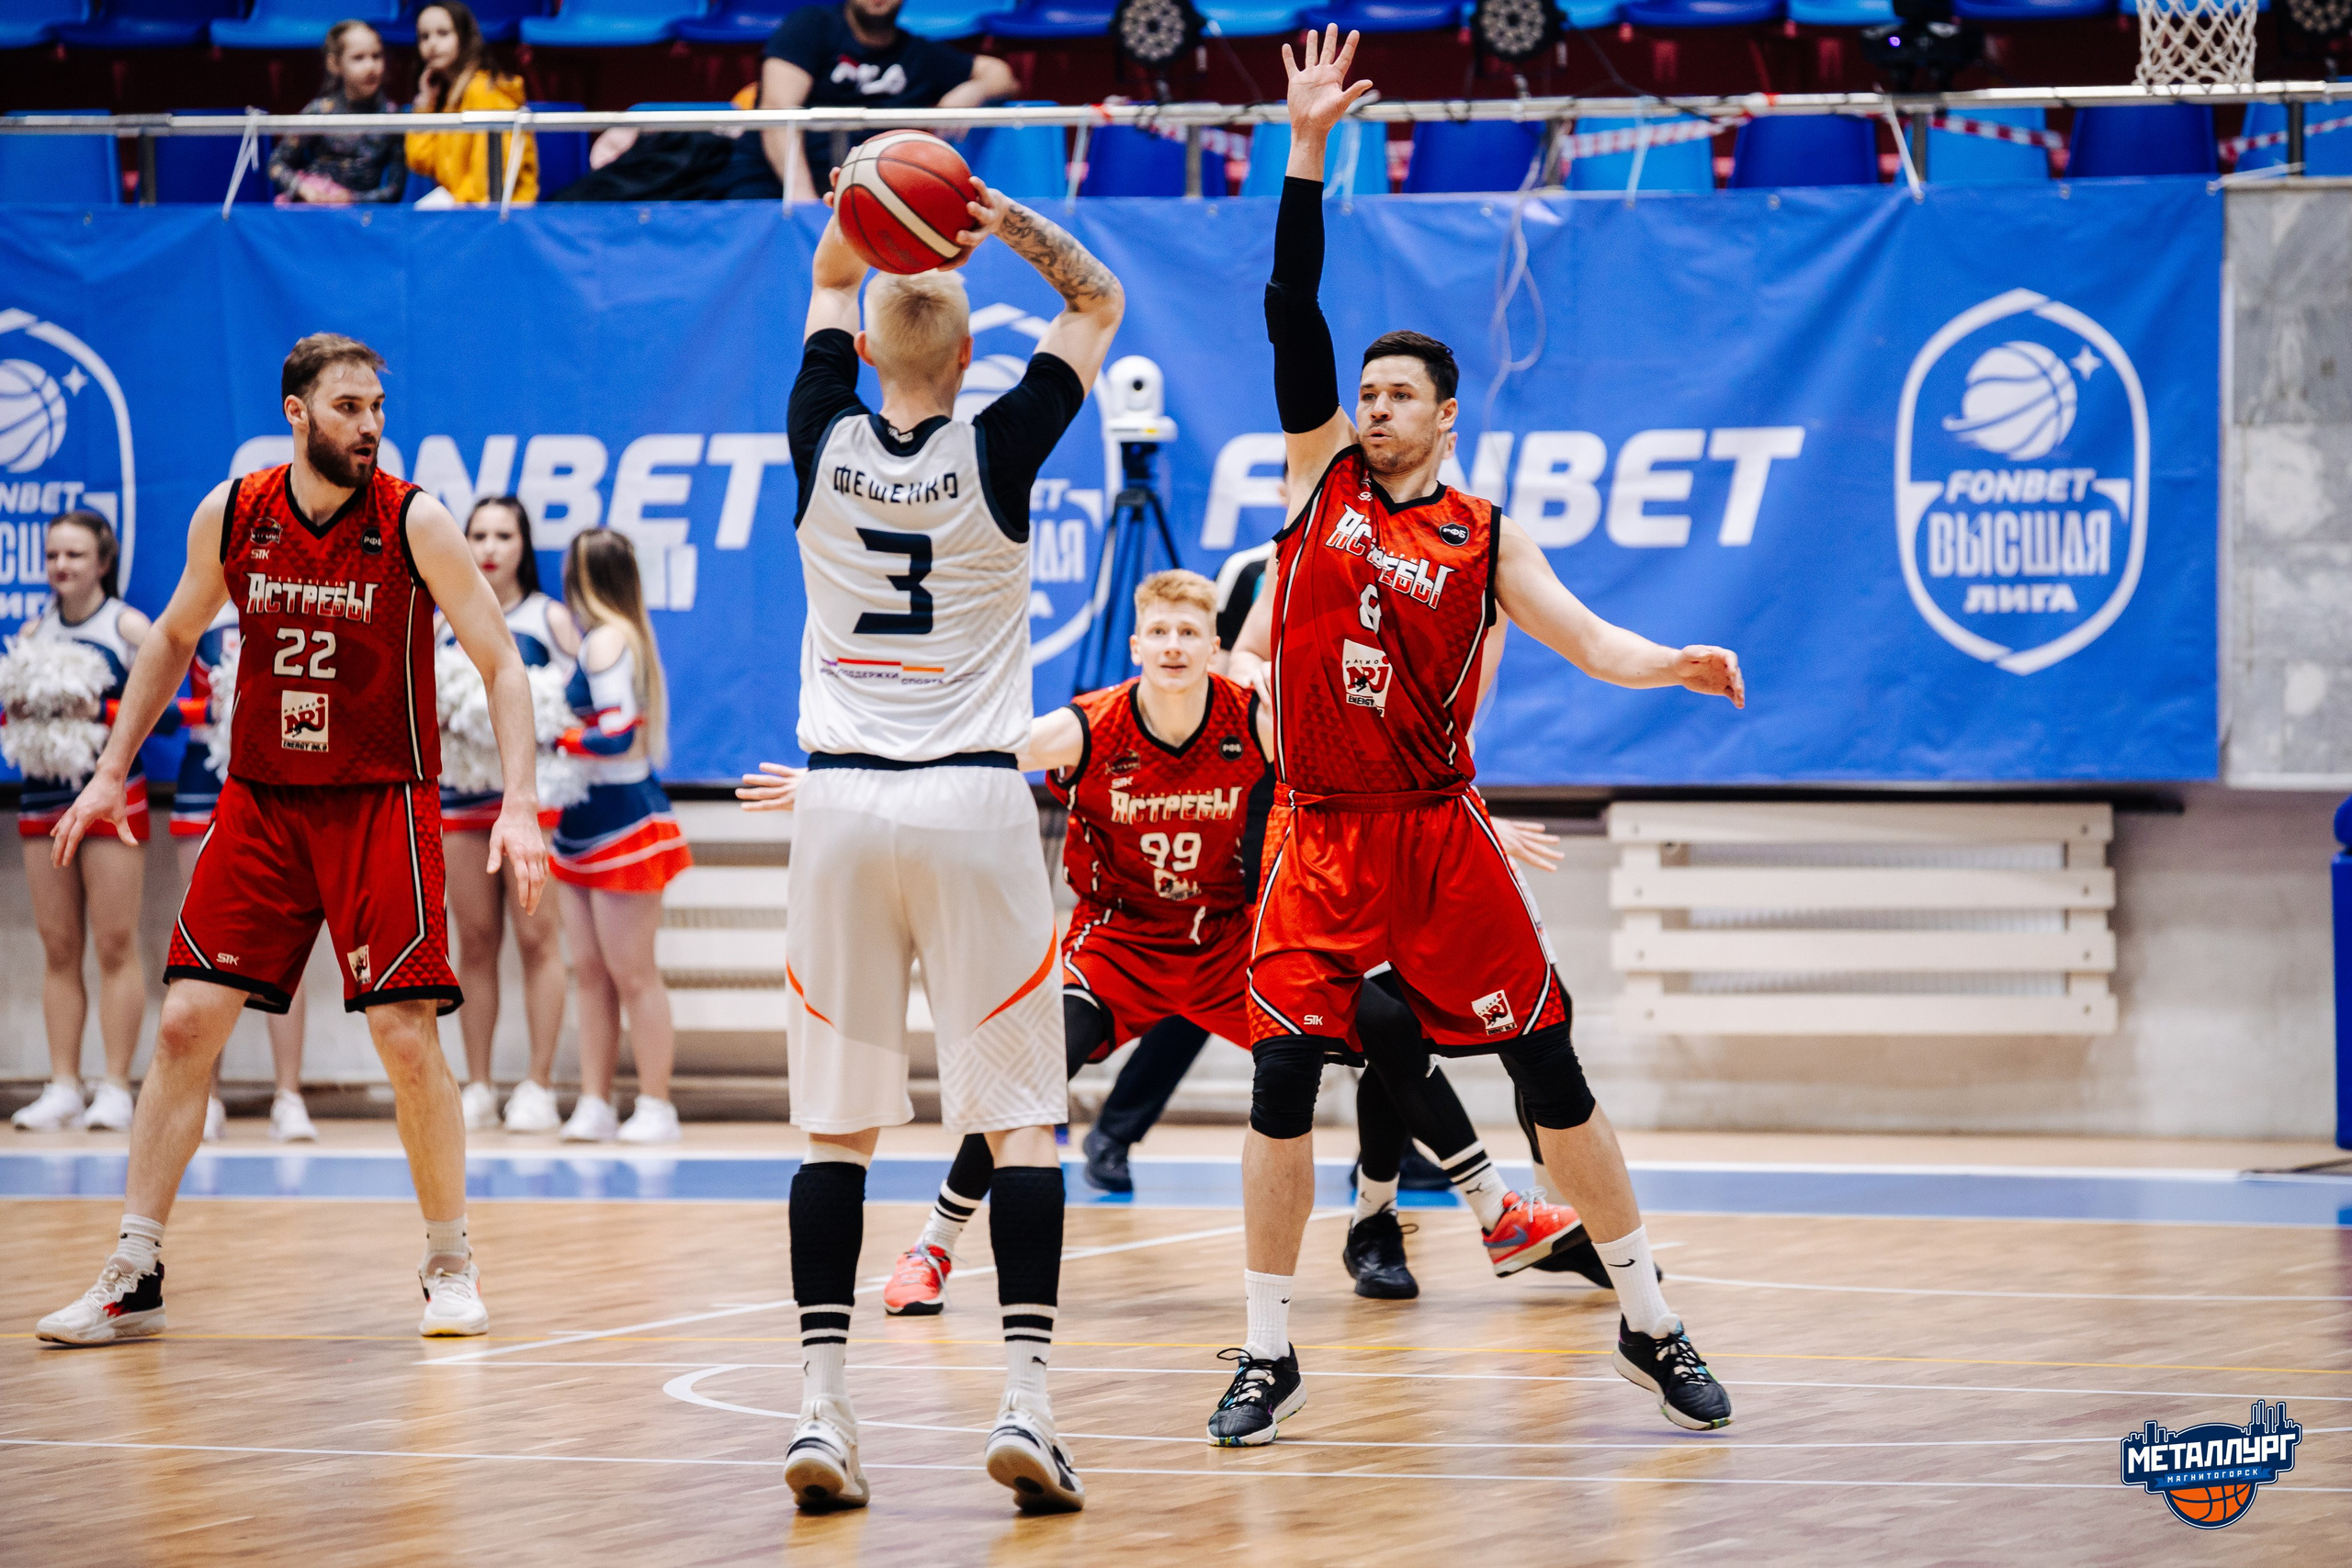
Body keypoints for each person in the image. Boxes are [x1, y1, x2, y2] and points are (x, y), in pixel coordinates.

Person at [1206, 28, 1746, 1446]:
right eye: (1363, 392)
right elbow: (1287, 304)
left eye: (1397, 396)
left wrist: (1671, 661)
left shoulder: (1488, 534)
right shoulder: (1315, 484)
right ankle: (1268, 1348)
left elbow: (1588, 637)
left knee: (1551, 1073)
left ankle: (1648, 1312)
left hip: (1443, 837)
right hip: (1318, 835)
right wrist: (1308, 149)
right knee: (1275, 1085)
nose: (1372, 407)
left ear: (1446, 416)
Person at [33, 333, 548, 1347]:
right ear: (297, 412)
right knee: (185, 1026)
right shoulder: (235, 513)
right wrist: (105, 771)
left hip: (378, 798)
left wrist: (522, 799)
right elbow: (176, 636)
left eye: (377, 409)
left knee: (405, 1037)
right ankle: (133, 1270)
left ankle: (450, 1260)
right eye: (349, 407)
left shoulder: (417, 521)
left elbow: (501, 663)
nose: (371, 427)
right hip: (263, 799)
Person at [768, 170, 1122, 1515]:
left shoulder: (819, 430)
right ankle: (1025, 1398)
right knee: (1022, 1118)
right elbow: (1098, 301)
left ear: (865, 355)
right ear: (973, 357)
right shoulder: (1005, 444)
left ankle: (820, 1409)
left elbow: (825, 280)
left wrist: (871, 199)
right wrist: (1004, 218)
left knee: (833, 1132)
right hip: (973, 800)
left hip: (842, 805)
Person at [7, 512, 150, 1136]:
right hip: (44, 796)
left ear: (102, 560)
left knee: (115, 942)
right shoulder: (33, 632)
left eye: (74, 554)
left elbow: (169, 709)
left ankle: (116, 1084)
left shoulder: (127, 627)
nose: (61, 565)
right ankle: (64, 1082)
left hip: (113, 795)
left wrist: (100, 707)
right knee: (59, 946)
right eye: (53, 555)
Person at [548, 529, 690, 1145]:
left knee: (632, 971)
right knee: (591, 970)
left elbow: (617, 733)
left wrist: (555, 733)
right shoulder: (605, 637)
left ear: (582, 576)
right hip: (584, 815)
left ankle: (656, 1102)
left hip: (621, 817)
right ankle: (596, 1101)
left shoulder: (607, 639)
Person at [443, 496, 575, 1134]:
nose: (490, 547)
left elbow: (579, 702)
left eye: (504, 534)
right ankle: (477, 1084)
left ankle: (540, 1083)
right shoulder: (442, 618)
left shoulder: (550, 619)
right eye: (478, 534)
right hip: (460, 802)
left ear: (525, 544)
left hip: (531, 804)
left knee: (537, 939)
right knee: (474, 941)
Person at [172, 601, 319, 1144]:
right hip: (205, 778)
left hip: (282, 778)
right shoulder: (197, 612)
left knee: (288, 939)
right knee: (206, 939)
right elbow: (167, 682)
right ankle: (206, 1097)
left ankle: (289, 1096)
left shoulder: (302, 601)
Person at [733, 0, 1017, 201]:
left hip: (872, 196)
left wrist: (972, 90)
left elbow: (1002, 76)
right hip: (774, 188)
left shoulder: (918, 54)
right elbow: (777, 111)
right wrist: (804, 202)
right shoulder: (811, 26)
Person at [406, 2, 537, 208]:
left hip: (496, 211)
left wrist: (460, 207)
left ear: (465, 37)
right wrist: (425, 106)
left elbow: (490, 176)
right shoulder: (445, 96)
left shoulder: (484, 90)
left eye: (443, 33)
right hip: (463, 205)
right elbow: (421, 161)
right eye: (424, 36)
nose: (432, 43)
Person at [268, 19, 407, 206]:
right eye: (358, 58)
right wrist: (304, 189)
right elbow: (276, 164)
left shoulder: (392, 117)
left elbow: (394, 190)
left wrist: (353, 199)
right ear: (334, 64)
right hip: (317, 210)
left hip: (360, 218)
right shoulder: (320, 112)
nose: (370, 67)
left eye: (376, 56)